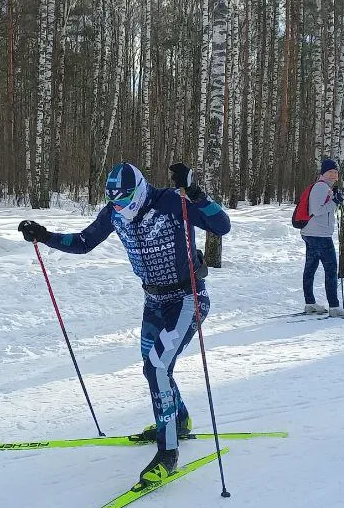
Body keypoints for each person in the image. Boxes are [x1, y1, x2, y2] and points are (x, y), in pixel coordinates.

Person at [16, 162, 231, 485]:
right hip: (154, 301)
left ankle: (168, 452)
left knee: (157, 367)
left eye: (124, 200)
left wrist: (196, 193)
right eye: (114, 201)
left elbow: (222, 226)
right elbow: (85, 242)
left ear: (140, 189)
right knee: (153, 365)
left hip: (188, 299)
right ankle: (179, 419)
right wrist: (44, 236)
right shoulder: (114, 213)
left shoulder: (172, 201)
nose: (119, 207)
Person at [301, 159, 344, 318]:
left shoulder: (324, 188)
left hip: (312, 232)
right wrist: (335, 202)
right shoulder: (321, 187)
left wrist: (333, 199)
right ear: (323, 173)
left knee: (311, 267)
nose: (334, 175)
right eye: (330, 172)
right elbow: (317, 210)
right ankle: (334, 306)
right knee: (330, 269)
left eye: (336, 172)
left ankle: (310, 303)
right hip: (319, 234)